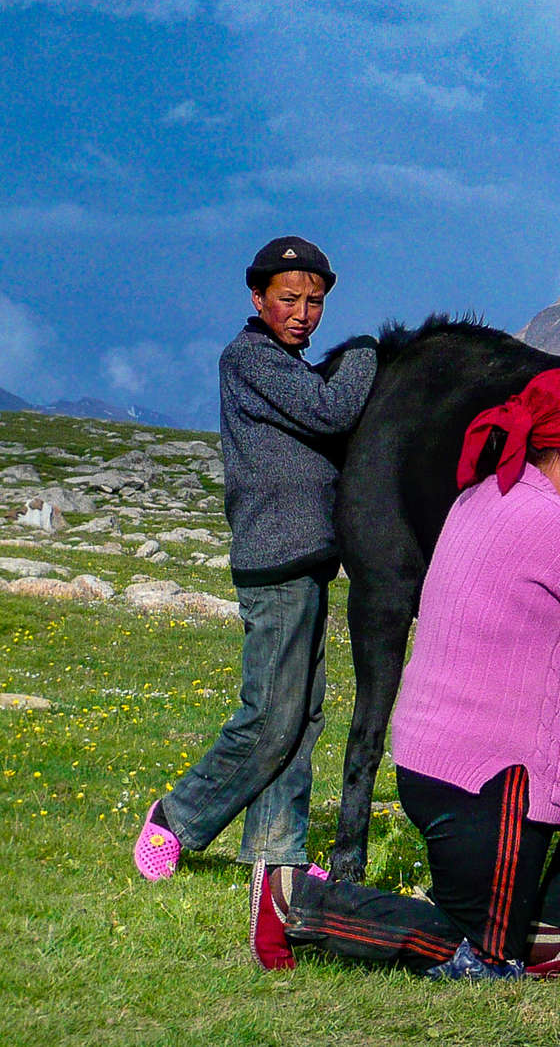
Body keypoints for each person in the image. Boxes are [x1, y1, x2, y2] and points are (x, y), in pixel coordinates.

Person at [247, 367, 560, 980]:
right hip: (498, 781)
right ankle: (298, 904)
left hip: (433, 761)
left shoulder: (481, 498)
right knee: (483, 954)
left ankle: (555, 931)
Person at [133, 235, 378, 881]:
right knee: (270, 716)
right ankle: (176, 818)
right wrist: (362, 353)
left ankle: (275, 854)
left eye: (315, 301)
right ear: (258, 297)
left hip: (305, 563)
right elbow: (333, 410)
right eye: (289, 299)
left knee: (300, 717)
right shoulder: (248, 358)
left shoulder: (287, 363)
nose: (303, 312)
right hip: (276, 564)